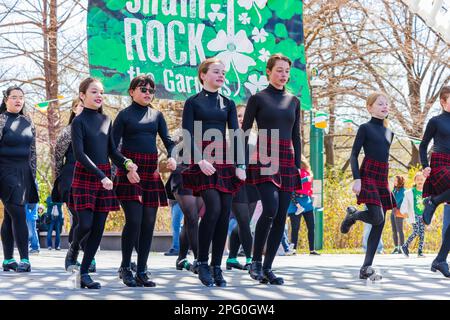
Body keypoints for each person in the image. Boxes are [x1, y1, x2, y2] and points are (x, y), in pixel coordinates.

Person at [65, 77, 138, 289]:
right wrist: (101, 176)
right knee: (85, 224)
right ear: (82, 95)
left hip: (104, 176)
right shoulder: (78, 121)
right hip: (87, 175)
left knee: (98, 228)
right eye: (94, 92)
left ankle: (85, 273)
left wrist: (126, 163)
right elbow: (79, 154)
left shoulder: (107, 119)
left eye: (101, 92)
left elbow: (112, 151)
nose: (99, 96)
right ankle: (74, 248)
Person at [181, 57, 246, 287]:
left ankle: (217, 266)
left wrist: (241, 165)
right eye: (216, 72)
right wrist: (199, 160)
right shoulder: (192, 102)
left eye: (223, 73)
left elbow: (235, 135)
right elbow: (187, 134)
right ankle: (202, 262)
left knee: (224, 211)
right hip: (202, 161)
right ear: (203, 75)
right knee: (213, 208)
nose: (221, 76)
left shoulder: (227, 103)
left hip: (225, 161)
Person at [242, 53, 302, 285]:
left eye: (286, 71)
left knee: (280, 216)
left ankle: (267, 268)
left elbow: (296, 136)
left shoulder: (294, 101)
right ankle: (255, 262)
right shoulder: (257, 98)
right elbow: (244, 131)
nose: (283, 75)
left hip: (287, 158)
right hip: (265, 156)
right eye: (279, 70)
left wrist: (297, 167)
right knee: (270, 207)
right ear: (268, 71)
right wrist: (240, 161)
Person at [113, 74, 176, 287]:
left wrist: (173, 156)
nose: (148, 93)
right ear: (131, 92)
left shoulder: (157, 115)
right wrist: (126, 165)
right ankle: (125, 267)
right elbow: (111, 148)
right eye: (143, 89)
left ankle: (142, 270)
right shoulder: (123, 116)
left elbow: (168, 141)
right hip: (130, 172)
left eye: (151, 90)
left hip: (150, 174)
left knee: (149, 223)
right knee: (135, 221)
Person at [340, 92, 395, 280]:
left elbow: (385, 157)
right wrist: (357, 178)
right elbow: (354, 154)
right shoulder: (365, 128)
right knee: (376, 216)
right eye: (380, 104)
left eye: (386, 104)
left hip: (383, 176)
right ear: (369, 107)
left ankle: (366, 268)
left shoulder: (390, 132)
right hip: (368, 174)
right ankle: (353, 215)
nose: (385, 106)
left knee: (380, 223)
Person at [0, 86, 39, 273]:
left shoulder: (28, 121)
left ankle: (8, 259)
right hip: (4, 171)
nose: (18, 100)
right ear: (6, 99)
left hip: (24, 172)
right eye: (14, 97)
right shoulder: (1, 120)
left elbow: (33, 152)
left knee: (9, 216)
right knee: (18, 212)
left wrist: (33, 174)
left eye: (21, 97)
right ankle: (25, 258)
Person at [420, 85, 450, 277]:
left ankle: (440, 259)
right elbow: (423, 146)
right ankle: (434, 201)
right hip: (440, 163)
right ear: (443, 101)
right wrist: (424, 166)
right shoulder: (435, 121)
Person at [226, 105, 259, 270]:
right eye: (238, 115)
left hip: (253, 185)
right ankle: (249, 259)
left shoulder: (256, 137)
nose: (241, 119)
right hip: (235, 183)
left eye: (245, 116)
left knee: (242, 223)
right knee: (244, 223)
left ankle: (231, 258)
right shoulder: (227, 137)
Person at [286, 155, 319, 255]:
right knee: (295, 227)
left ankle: (312, 250)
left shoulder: (308, 171)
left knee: (311, 226)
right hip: (294, 203)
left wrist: (313, 195)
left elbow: (309, 187)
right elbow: (291, 184)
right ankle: (294, 249)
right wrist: (305, 179)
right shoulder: (291, 171)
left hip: (307, 202)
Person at [400, 171, 426, 257]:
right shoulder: (411, 192)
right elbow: (405, 203)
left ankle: (420, 251)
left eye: (421, 179)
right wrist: (405, 212)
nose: (420, 181)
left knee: (422, 233)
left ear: (424, 181)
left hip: (423, 215)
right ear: (415, 181)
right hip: (414, 215)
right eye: (418, 179)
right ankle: (405, 245)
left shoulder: (425, 192)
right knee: (416, 231)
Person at [391, 175, 406, 254]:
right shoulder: (395, 190)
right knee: (394, 230)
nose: (394, 182)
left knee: (400, 230)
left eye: (396, 180)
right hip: (393, 211)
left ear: (400, 181)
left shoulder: (403, 191)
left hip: (399, 212)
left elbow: (396, 201)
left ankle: (402, 247)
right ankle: (396, 247)